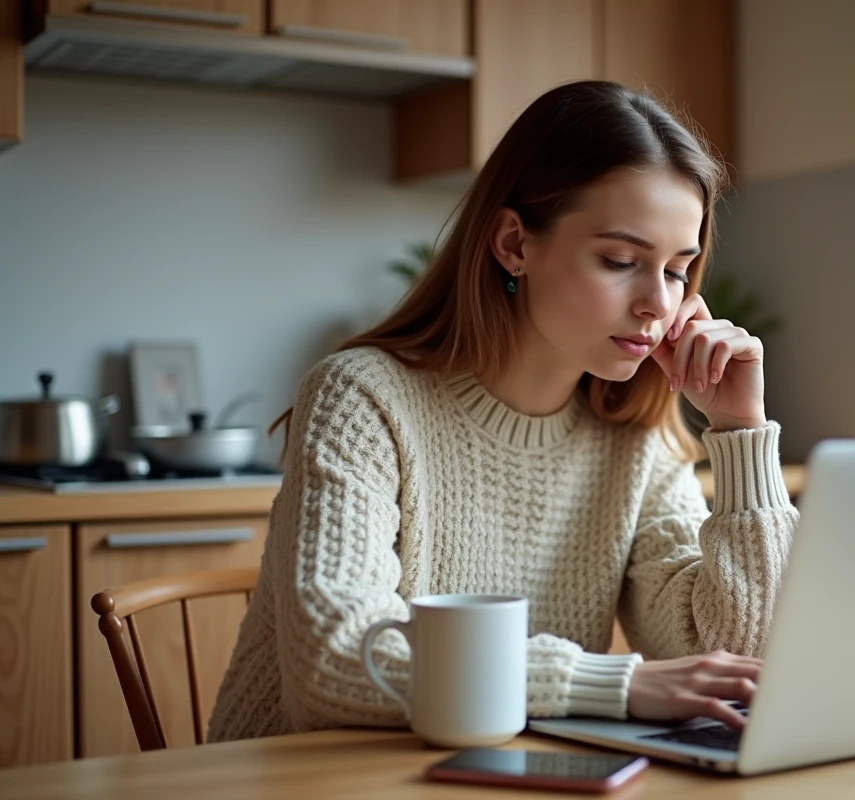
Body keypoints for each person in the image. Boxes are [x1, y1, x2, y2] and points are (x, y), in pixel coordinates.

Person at [207, 80, 800, 743]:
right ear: (514, 243)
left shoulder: (633, 436)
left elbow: (737, 660)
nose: (659, 305)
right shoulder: (363, 400)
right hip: (310, 778)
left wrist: (740, 431)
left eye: (675, 271)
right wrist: (610, 684)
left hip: (500, 773)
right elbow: (337, 662)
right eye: (621, 260)